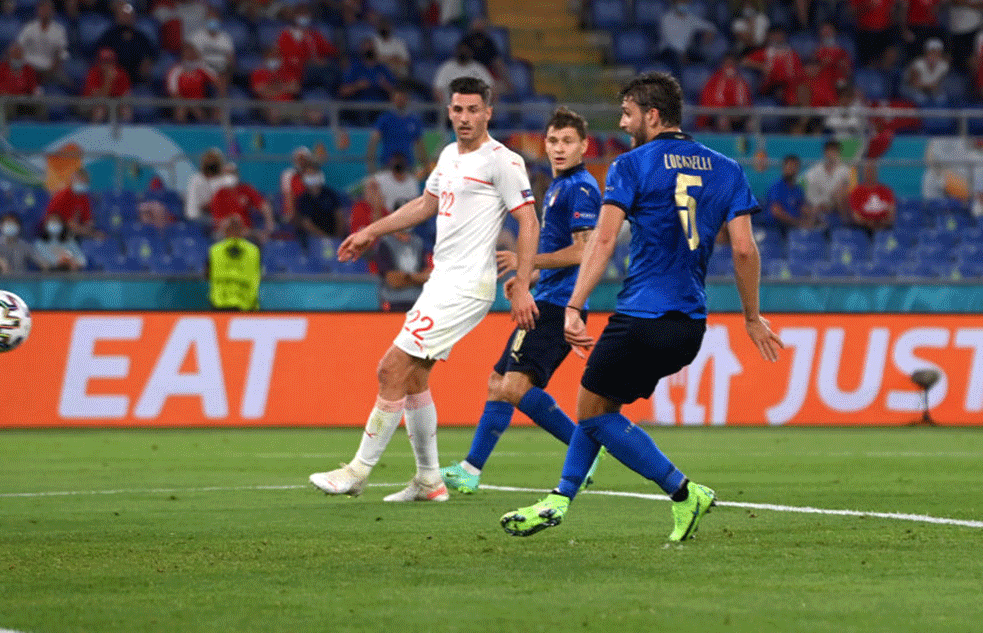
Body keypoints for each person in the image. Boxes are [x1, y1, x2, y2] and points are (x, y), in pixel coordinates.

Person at [499, 71, 781, 541]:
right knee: (597, 402)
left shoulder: (632, 165)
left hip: (641, 316)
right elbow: (746, 250)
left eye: (628, 113)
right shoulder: (728, 169)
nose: (624, 122)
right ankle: (560, 500)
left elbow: (603, 239)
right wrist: (752, 317)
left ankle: (683, 491)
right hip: (689, 325)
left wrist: (574, 304)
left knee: (592, 412)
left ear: (652, 115)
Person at [309, 76, 540, 502]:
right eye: (458, 109)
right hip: (442, 280)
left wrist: (522, 284)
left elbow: (528, 220)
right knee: (414, 378)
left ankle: (357, 471)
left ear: (488, 112)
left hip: (466, 285)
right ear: (449, 111)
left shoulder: (502, 161)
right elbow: (423, 204)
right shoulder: (449, 154)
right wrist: (370, 232)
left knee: (389, 369)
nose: (465, 117)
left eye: (474, 109)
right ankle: (430, 481)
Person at [440, 107, 604, 495]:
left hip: (559, 304)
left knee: (512, 386)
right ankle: (470, 469)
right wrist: (526, 277)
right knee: (498, 382)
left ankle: (586, 448)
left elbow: (584, 252)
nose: (558, 149)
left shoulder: (581, 188)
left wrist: (526, 262)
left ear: (584, 146)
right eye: (552, 141)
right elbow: (558, 250)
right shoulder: (558, 187)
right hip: (546, 296)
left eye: (567, 141)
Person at [276, 3, 339, 89]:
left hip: (316, 69)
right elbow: (289, 57)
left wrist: (338, 53)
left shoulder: (313, 33)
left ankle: (335, 94)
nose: (304, 16)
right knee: (328, 71)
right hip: (298, 69)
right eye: (301, 14)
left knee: (334, 67)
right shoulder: (286, 34)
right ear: (295, 16)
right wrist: (311, 62)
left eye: (306, 14)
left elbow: (328, 49)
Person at [209, 163, 275, 244]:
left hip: (246, 232)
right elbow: (218, 221)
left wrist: (269, 224)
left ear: (237, 174)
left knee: (258, 239)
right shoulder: (218, 194)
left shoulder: (246, 189)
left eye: (232, 173)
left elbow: (264, 206)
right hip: (225, 233)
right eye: (227, 173)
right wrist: (236, 230)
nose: (229, 176)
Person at [96, 0, 157, 85]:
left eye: (129, 15)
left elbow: (152, 55)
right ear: (117, 17)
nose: (126, 17)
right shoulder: (109, 36)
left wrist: (147, 63)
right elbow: (100, 56)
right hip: (114, 81)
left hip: (137, 81)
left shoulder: (141, 37)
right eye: (123, 15)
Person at [207, 214, 261, 310]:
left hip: (220, 306)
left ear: (225, 231)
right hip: (247, 307)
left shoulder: (214, 250)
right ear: (243, 230)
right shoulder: (254, 250)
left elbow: (207, 274)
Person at [850, 0, 897, 68]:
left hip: (884, 30)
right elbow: (852, 12)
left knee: (891, 54)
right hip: (866, 31)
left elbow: (892, 9)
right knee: (869, 62)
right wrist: (866, 7)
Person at [367, 88, 427, 174]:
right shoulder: (385, 119)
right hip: (388, 166)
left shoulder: (414, 120)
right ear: (393, 99)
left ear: (407, 99)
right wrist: (371, 167)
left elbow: (419, 145)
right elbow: (373, 142)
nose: (400, 101)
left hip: (407, 166)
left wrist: (425, 165)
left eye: (403, 98)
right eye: (398, 98)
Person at [658, 0, 717, 70]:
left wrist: (710, 32)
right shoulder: (666, 18)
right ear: (674, 2)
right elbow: (670, 40)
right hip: (669, 51)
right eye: (680, 0)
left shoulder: (691, 18)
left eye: (685, 0)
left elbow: (710, 26)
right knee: (676, 61)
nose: (683, 3)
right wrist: (682, 54)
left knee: (706, 60)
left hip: (686, 51)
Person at [17, 0, 71, 88]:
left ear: (53, 11)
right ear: (37, 10)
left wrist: (50, 71)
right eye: (42, 8)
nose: (44, 11)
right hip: (28, 68)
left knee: (69, 84)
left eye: (47, 8)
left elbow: (61, 55)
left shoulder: (59, 30)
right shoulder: (28, 28)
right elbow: (18, 48)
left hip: (50, 70)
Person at [373, 228, 430, 311]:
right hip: (393, 302)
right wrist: (418, 278)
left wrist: (406, 277)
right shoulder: (385, 243)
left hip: (418, 302)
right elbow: (393, 281)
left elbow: (427, 276)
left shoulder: (418, 242)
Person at [742, 26, 802, 103]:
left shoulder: (792, 54)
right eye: (775, 35)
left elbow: (798, 72)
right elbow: (744, 61)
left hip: (788, 87)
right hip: (769, 86)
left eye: (780, 35)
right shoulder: (766, 52)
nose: (778, 37)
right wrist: (761, 66)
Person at [167, 42, 224, 123]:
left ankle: (206, 128)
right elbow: (173, 92)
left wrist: (219, 102)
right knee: (181, 109)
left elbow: (219, 83)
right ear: (182, 55)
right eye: (187, 53)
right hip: (182, 102)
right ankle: (180, 131)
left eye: (192, 52)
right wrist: (188, 103)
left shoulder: (202, 68)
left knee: (202, 110)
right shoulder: (175, 71)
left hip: (201, 103)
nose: (190, 55)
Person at [945, 0, 983, 73]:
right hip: (957, 30)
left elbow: (980, 4)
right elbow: (955, 1)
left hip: (974, 29)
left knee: (974, 63)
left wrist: (964, 2)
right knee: (960, 64)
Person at [802, 138, 853, 223]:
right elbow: (810, 192)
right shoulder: (814, 171)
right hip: (819, 206)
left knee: (841, 191)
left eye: (834, 150)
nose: (832, 153)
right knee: (807, 207)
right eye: (829, 150)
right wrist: (820, 204)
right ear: (825, 152)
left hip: (838, 205)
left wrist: (832, 203)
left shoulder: (846, 171)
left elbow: (850, 191)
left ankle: (846, 223)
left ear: (838, 152)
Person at [698, 54, 752, 131]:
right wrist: (726, 112)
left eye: (732, 64)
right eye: (727, 64)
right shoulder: (714, 80)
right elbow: (708, 102)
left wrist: (738, 112)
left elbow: (746, 103)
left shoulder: (741, 81)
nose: (729, 67)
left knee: (752, 122)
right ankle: (727, 142)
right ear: (722, 65)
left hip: (738, 114)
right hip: (718, 114)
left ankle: (752, 142)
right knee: (723, 121)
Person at [764, 153, 813, 236]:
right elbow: (776, 211)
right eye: (789, 166)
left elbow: (803, 207)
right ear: (784, 168)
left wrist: (811, 216)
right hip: (777, 229)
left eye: (795, 167)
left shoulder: (798, 189)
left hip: (794, 228)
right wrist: (796, 222)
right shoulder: (777, 187)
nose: (792, 169)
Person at [294, 164, 347, 240]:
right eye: (309, 175)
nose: (312, 177)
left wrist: (338, 236)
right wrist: (325, 238)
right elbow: (306, 224)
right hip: (314, 240)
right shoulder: (303, 199)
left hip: (335, 236)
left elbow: (339, 216)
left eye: (314, 174)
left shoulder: (330, 194)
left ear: (320, 176)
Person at [251, 47, 302, 125]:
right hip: (268, 106)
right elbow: (262, 92)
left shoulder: (286, 71)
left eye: (277, 56)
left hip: (289, 104)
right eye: (272, 56)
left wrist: (271, 89)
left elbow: (295, 89)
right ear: (266, 57)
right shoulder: (258, 72)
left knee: (314, 114)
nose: (275, 59)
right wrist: (285, 88)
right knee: (274, 113)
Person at [0, 43, 43, 117]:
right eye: (14, 55)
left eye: (19, 56)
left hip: (25, 100)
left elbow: (33, 87)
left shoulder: (28, 69)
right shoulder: (0, 68)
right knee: (6, 105)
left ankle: (44, 127)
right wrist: (12, 96)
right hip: (9, 100)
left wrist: (33, 94)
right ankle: (6, 128)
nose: (17, 58)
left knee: (41, 105)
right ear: (9, 56)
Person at [45, 170, 100, 239]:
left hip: (76, 231)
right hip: (59, 229)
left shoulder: (85, 198)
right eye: (80, 182)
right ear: (73, 181)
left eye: (84, 183)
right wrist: (91, 233)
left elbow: (88, 219)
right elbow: (68, 223)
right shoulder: (62, 196)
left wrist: (90, 228)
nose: (82, 184)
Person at [81, 48, 132, 123]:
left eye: (109, 62)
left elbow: (126, 97)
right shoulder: (93, 73)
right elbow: (99, 98)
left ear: (114, 63)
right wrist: (108, 80)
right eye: (104, 62)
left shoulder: (121, 74)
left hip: (114, 103)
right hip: (91, 103)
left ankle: (126, 133)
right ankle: (95, 133)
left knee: (126, 111)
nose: (106, 65)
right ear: (99, 62)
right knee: (100, 111)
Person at [186, 148, 235, 225]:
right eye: (209, 160)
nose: (211, 163)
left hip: (223, 217)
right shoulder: (196, 179)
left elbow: (230, 203)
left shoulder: (227, 179)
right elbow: (196, 209)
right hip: (199, 218)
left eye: (214, 160)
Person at [461, 16, 511, 92]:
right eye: (476, 25)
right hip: (469, 73)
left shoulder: (488, 42)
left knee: (500, 87)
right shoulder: (465, 42)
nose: (479, 26)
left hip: (486, 73)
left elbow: (497, 62)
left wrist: (506, 80)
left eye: (481, 25)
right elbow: (461, 63)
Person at [848, 160, 896, 233]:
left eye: (872, 170)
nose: (870, 173)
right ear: (863, 173)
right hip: (864, 228)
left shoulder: (886, 190)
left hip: (884, 227)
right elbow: (856, 215)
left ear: (876, 172)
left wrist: (881, 223)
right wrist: (868, 222)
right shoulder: (857, 192)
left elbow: (891, 213)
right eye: (868, 171)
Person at [189, 7, 236, 79]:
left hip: (221, 74)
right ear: (205, 20)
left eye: (214, 19)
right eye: (209, 19)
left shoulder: (225, 37)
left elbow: (230, 60)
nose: (212, 21)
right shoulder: (196, 37)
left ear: (219, 20)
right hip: (202, 75)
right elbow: (193, 61)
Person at [903, 38, 950, 107]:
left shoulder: (944, 65)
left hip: (931, 91)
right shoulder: (918, 63)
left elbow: (939, 85)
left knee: (941, 99)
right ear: (926, 52)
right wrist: (931, 86)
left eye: (937, 52)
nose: (934, 55)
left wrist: (931, 86)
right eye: (932, 52)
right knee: (920, 99)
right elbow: (913, 84)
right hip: (912, 90)